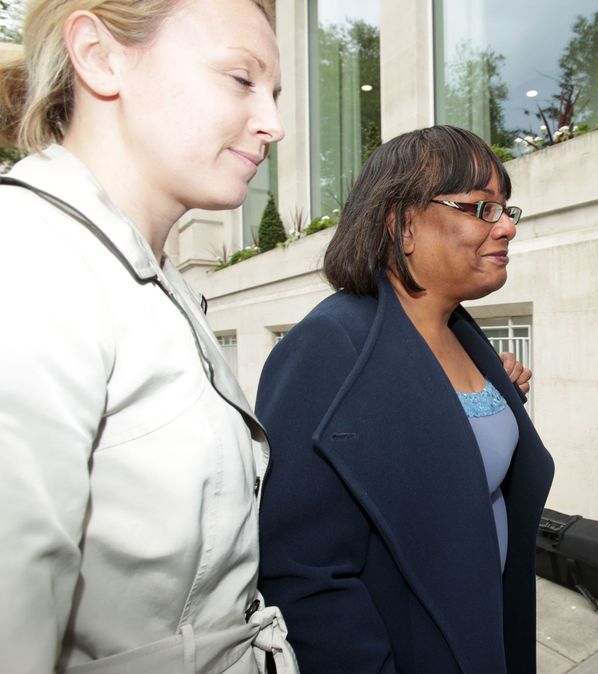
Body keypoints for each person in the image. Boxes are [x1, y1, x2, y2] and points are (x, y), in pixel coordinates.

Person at [0, 1, 297, 672]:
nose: (272, 124)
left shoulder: (149, 272)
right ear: (101, 57)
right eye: (240, 79)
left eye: (273, 93)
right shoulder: (28, 261)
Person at [256, 125, 554, 673]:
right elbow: (303, 575)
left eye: (508, 209)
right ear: (402, 223)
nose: (507, 227)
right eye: (480, 208)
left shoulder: (461, 329)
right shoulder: (327, 347)